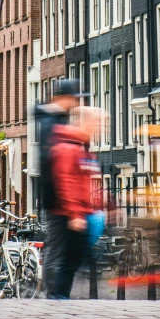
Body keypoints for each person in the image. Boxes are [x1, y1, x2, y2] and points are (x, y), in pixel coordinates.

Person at [35, 79, 83, 298]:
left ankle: (57, 294)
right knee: (56, 249)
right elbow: (53, 161)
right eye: (73, 98)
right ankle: (54, 296)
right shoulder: (50, 122)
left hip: (58, 198)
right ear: (62, 98)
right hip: (56, 199)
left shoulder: (56, 119)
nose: (76, 103)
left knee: (62, 249)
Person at [50, 106, 102, 299]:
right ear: (83, 122)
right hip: (73, 215)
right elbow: (67, 182)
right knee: (71, 261)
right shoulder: (69, 148)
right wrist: (75, 214)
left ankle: (60, 299)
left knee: (74, 260)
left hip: (82, 212)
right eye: (96, 123)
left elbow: (85, 180)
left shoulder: (80, 146)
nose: (99, 127)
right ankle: (58, 299)